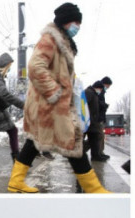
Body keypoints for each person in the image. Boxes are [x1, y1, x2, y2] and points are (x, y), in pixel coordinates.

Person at [8, 2, 110, 193]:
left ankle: (16, 181)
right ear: (65, 22)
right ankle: (93, 188)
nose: (78, 27)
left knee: (35, 142)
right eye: (76, 23)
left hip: (51, 106)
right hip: (49, 104)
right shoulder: (50, 39)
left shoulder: (62, 43)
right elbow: (35, 67)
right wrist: (55, 92)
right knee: (72, 142)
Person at [83, 81, 103, 161]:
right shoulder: (89, 92)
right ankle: (78, 156)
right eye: (101, 89)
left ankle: (95, 156)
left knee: (94, 138)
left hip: (92, 121)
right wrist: (88, 118)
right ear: (97, 87)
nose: (101, 91)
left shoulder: (93, 93)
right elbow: (84, 104)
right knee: (92, 138)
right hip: (88, 121)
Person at [94, 76, 113, 160]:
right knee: (98, 136)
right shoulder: (99, 91)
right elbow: (97, 102)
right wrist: (104, 105)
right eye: (108, 86)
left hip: (99, 117)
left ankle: (100, 153)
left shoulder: (101, 92)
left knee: (100, 136)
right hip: (97, 118)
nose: (108, 88)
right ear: (105, 84)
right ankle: (98, 154)